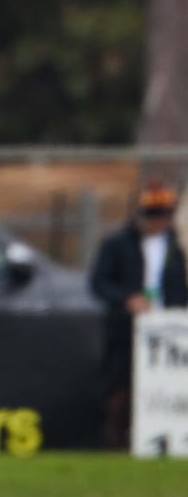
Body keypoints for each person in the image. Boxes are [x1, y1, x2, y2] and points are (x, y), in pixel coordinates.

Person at [89, 179, 187, 449]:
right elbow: (98, 282)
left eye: (164, 216)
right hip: (127, 330)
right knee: (121, 391)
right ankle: (116, 444)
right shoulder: (117, 244)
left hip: (171, 330)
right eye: (153, 215)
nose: (158, 222)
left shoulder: (178, 246)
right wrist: (127, 299)